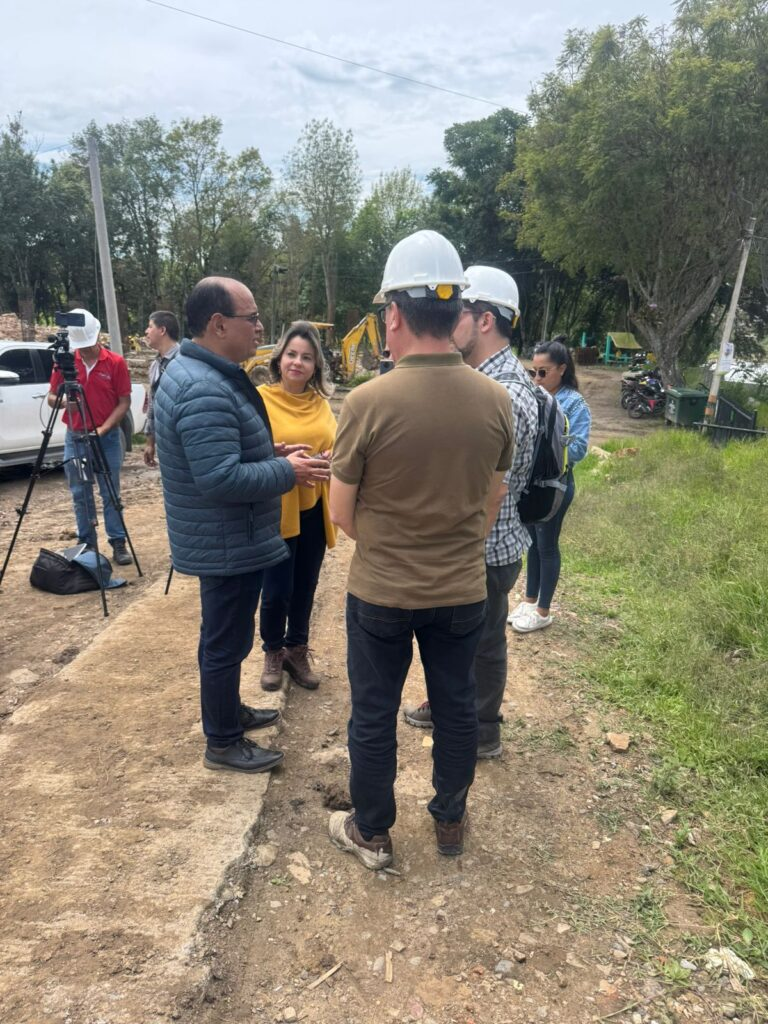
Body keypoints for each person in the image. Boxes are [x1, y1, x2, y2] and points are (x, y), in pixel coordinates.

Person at [327, 231, 515, 869]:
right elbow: (493, 499)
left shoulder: (367, 402)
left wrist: (394, 545)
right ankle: (450, 821)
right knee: (457, 707)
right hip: (462, 590)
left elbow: (341, 512)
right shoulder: (497, 400)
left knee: (374, 714)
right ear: (457, 313)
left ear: (394, 315)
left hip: (382, 590)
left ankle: (373, 830)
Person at [153, 277, 330, 774]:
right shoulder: (202, 386)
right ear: (218, 323)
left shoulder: (205, 374)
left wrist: (270, 452)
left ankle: (230, 713)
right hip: (226, 539)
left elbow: (220, 451)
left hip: (228, 536)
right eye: (251, 318)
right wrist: (287, 471)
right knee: (226, 641)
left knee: (226, 636)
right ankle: (224, 742)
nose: (259, 327)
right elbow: (218, 477)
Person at [403, 266, 538, 759]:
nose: (445, 321)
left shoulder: (502, 393)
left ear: (483, 320)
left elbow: (486, 488)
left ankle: (480, 728)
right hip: (485, 542)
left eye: (456, 311)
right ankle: (452, 707)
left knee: (480, 643)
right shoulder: (493, 381)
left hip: (485, 544)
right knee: (465, 641)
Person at [257, 321, 337, 691]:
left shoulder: (321, 404)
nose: (297, 363)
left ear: (315, 365)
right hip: (276, 509)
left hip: (314, 509)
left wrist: (332, 457)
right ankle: (272, 650)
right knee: (276, 588)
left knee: (306, 584)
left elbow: (337, 444)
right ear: (279, 359)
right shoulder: (260, 400)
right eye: (291, 354)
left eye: (306, 357)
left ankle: (296, 649)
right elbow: (252, 454)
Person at [508, 337, 591, 633]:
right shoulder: (533, 397)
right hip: (531, 483)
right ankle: (530, 601)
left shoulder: (573, 403)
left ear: (562, 369)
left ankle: (543, 611)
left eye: (544, 372)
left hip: (555, 486)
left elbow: (580, 449)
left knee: (547, 545)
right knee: (531, 543)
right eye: (534, 372)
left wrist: (553, 439)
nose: (537, 378)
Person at [47, 308, 133, 566]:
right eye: (79, 347)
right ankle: (87, 543)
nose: (83, 351)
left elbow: (124, 402)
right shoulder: (64, 361)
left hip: (105, 439)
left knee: (110, 491)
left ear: (96, 338)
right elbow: (50, 397)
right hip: (76, 436)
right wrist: (62, 401)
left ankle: (118, 542)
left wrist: (104, 429)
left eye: (87, 346)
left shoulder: (115, 362)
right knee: (80, 490)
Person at [142, 310, 181, 467]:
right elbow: (153, 404)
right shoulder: (155, 366)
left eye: (150, 326)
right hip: (165, 443)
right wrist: (150, 442)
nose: (146, 331)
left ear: (162, 330)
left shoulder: (184, 361)